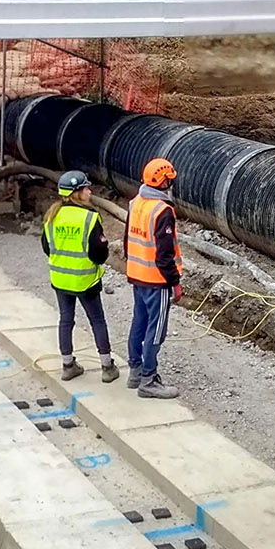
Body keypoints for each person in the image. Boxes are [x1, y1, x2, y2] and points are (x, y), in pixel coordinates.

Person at [43, 170, 117, 384]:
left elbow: (47, 247)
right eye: (86, 188)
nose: (90, 191)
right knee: (97, 321)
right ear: (77, 193)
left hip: (61, 279)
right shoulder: (89, 217)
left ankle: (68, 366)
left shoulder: (52, 216)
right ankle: (107, 367)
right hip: (85, 280)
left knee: (66, 320)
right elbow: (99, 253)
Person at [124, 157, 182, 399]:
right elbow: (164, 254)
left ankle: (135, 371)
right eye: (170, 179)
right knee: (156, 330)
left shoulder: (136, 202)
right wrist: (174, 282)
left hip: (137, 275)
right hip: (156, 280)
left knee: (139, 323)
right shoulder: (162, 211)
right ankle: (148, 380)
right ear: (164, 181)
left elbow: (127, 240)